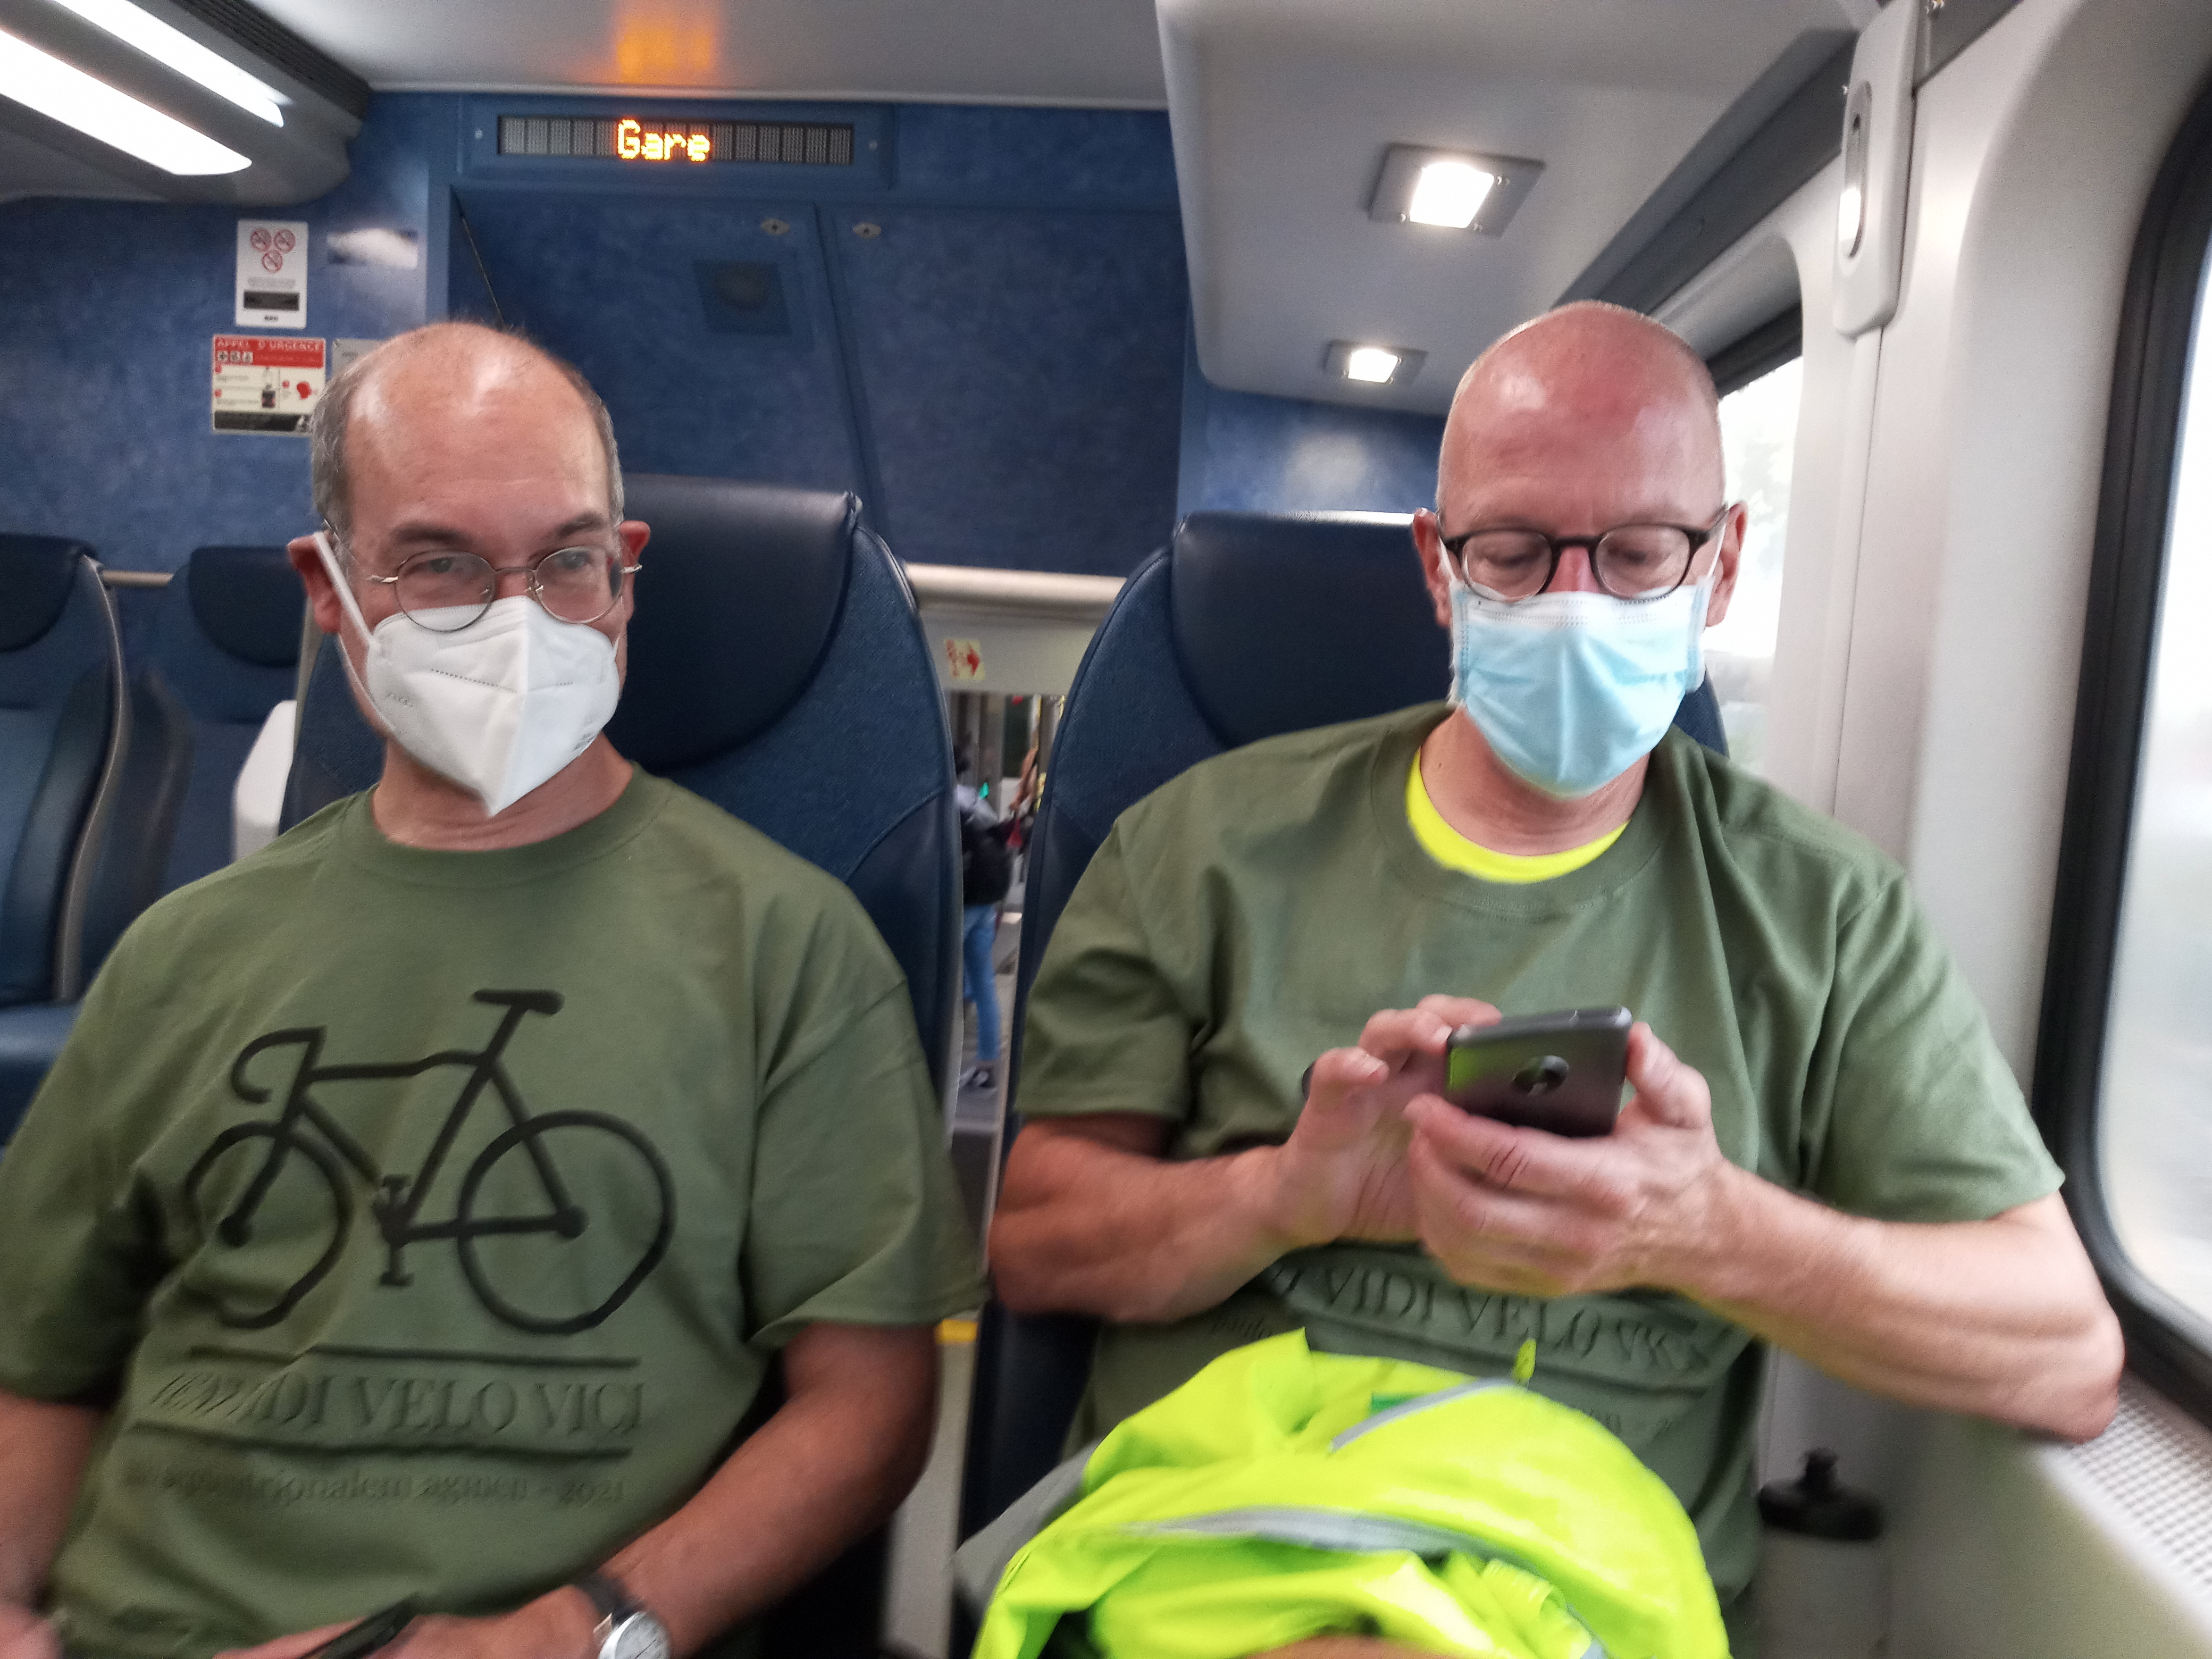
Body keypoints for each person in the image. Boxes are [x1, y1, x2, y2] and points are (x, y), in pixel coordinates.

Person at [987, 301, 2122, 1646]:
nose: (1577, 607)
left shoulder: (1822, 916)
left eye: (1637, 554)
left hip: (1579, 1581)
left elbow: (2063, 1354)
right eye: (1516, 555)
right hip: (1226, 1541)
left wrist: (1703, 1232)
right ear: (1437, 567)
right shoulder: (1202, 847)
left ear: (1721, 565)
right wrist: (1288, 1195)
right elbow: (1037, 1247)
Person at [0, 323, 982, 1659]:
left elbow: (869, 1408)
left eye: (567, 560)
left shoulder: (786, 950)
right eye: (441, 563)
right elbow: (39, 1363)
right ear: (329, 588)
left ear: (623, 578)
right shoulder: (181, 958)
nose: (517, 618)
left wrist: (583, 1628)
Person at [956, 746, 1014, 1093]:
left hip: (962, 903)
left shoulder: (943, 802)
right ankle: (987, 1066)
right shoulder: (975, 800)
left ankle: (938, 1062)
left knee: (941, 982)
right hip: (986, 903)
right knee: (983, 983)